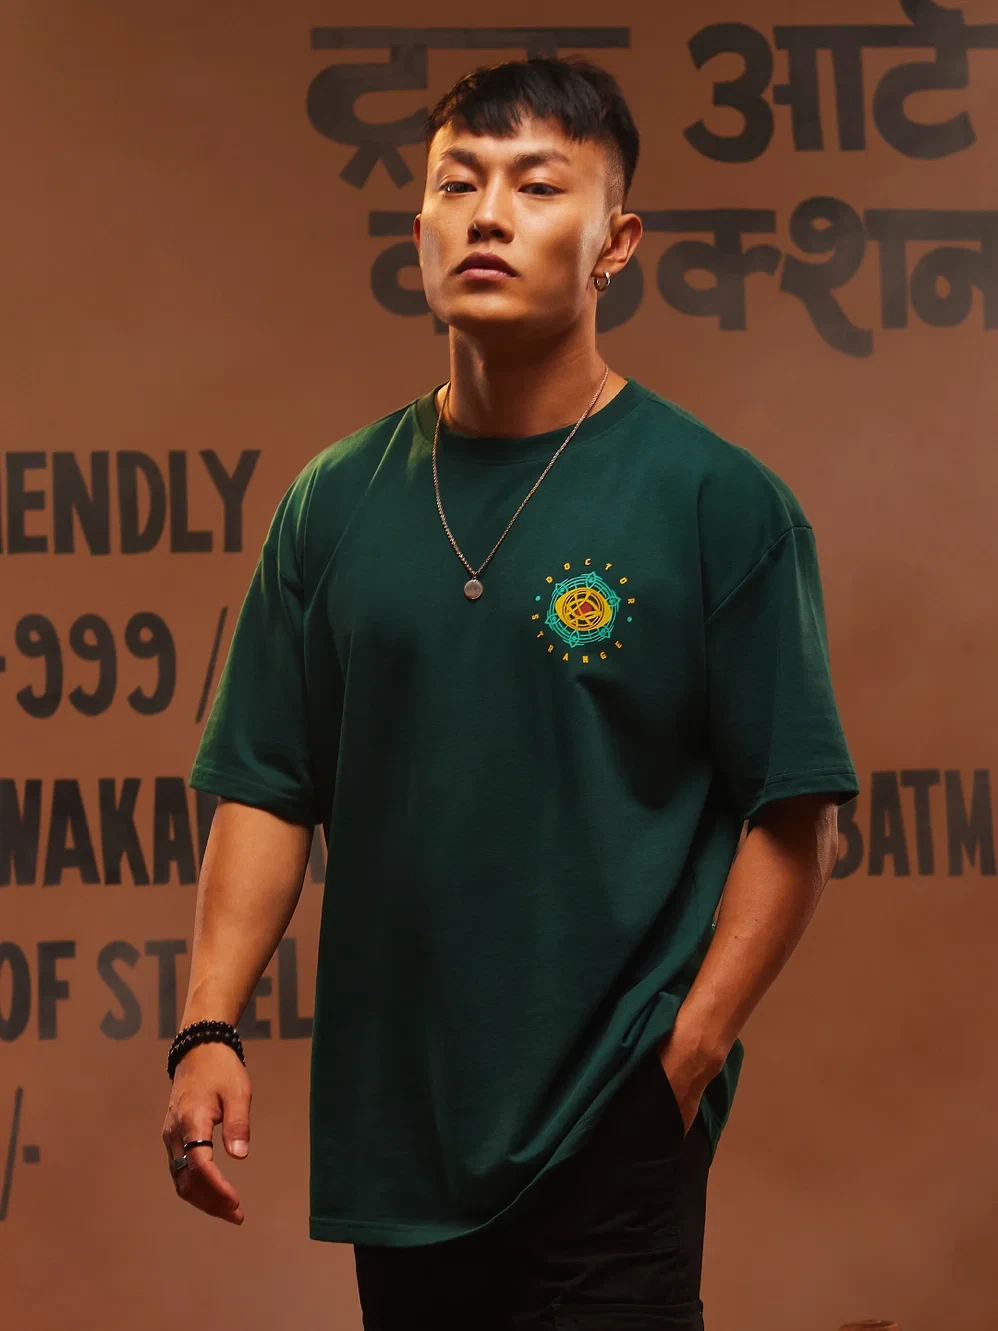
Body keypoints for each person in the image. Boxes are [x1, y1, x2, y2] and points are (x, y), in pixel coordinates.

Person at [162, 55, 859, 1330]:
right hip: (399, 1125)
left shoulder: (716, 502)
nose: (486, 215)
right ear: (418, 227)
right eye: (457, 184)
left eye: (537, 187)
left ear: (615, 244)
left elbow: (795, 810)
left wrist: (688, 1050)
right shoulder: (332, 501)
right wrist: (207, 1027)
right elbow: (266, 785)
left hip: (614, 1107)